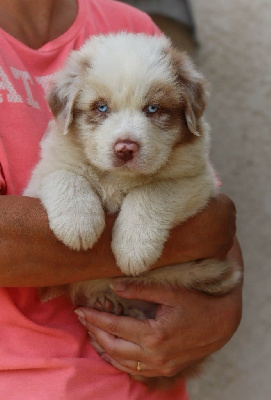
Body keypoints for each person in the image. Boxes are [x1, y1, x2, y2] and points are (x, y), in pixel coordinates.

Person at [0, 0, 243, 399]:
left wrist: (221, 315)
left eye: (153, 109)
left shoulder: (129, 25)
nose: (127, 138)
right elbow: (208, 226)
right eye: (100, 109)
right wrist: (189, 233)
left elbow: (218, 230)